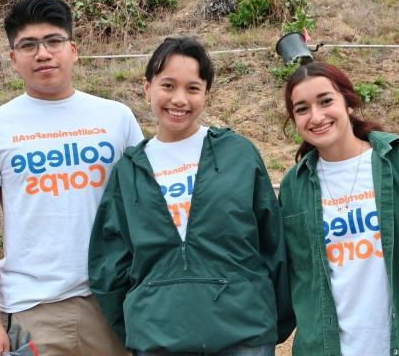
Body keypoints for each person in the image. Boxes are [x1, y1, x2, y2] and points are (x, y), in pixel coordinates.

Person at [0, 0, 143, 356]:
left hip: (112, 301)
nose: (42, 53)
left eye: (53, 41)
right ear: (13, 59)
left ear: (73, 50)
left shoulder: (116, 118)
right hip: (32, 310)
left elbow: (144, 207)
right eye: (28, 45)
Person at [88, 36, 295, 355]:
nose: (179, 99)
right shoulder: (128, 170)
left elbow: (274, 244)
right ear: (147, 88)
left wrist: (268, 320)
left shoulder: (237, 155)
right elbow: (109, 264)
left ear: (206, 94)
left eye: (192, 88)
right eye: (168, 86)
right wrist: (140, 321)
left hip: (244, 335)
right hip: (158, 338)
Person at [278, 62, 399, 356]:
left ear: (348, 103)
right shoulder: (294, 186)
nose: (316, 116)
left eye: (325, 101)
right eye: (302, 109)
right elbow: (295, 277)